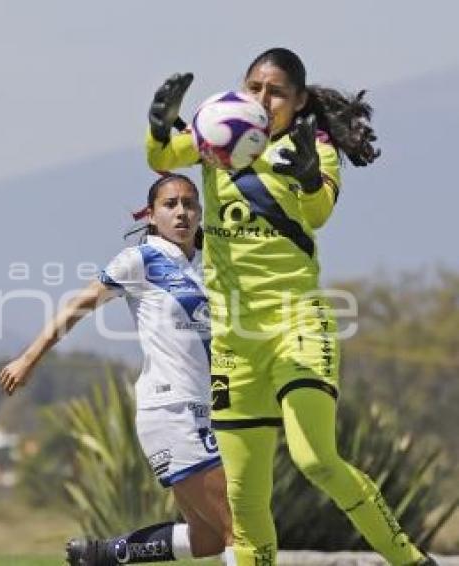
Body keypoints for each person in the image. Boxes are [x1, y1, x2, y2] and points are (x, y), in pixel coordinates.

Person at [145, 47, 437, 566]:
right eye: (255, 86)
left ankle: (413, 561)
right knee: (244, 497)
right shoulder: (217, 135)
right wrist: (159, 125)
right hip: (235, 340)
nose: (263, 98)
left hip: (296, 324)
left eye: (276, 91)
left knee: (315, 459)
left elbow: (318, 211)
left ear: (298, 101)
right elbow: (163, 159)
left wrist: (304, 177)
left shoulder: (315, 147)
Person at [0, 174, 233, 565]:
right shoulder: (142, 260)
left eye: (190, 204)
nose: (182, 212)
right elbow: (78, 306)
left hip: (210, 412)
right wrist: (28, 358)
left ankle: (105, 555)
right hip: (172, 410)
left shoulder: (211, 263)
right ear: (153, 216)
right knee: (239, 527)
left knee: (208, 538)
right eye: (170, 204)